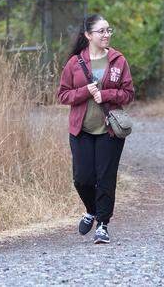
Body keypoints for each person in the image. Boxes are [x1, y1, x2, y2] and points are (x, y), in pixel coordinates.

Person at [57, 13, 135, 244]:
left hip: (109, 130)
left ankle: (103, 224)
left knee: (106, 178)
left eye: (108, 30)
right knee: (82, 178)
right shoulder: (75, 63)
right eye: (101, 31)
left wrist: (107, 94)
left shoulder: (118, 60)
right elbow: (62, 95)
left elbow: (129, 94)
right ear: (88, 35)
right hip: (81, 130)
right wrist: (85, 91)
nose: (106, 35)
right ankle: (91, 210)